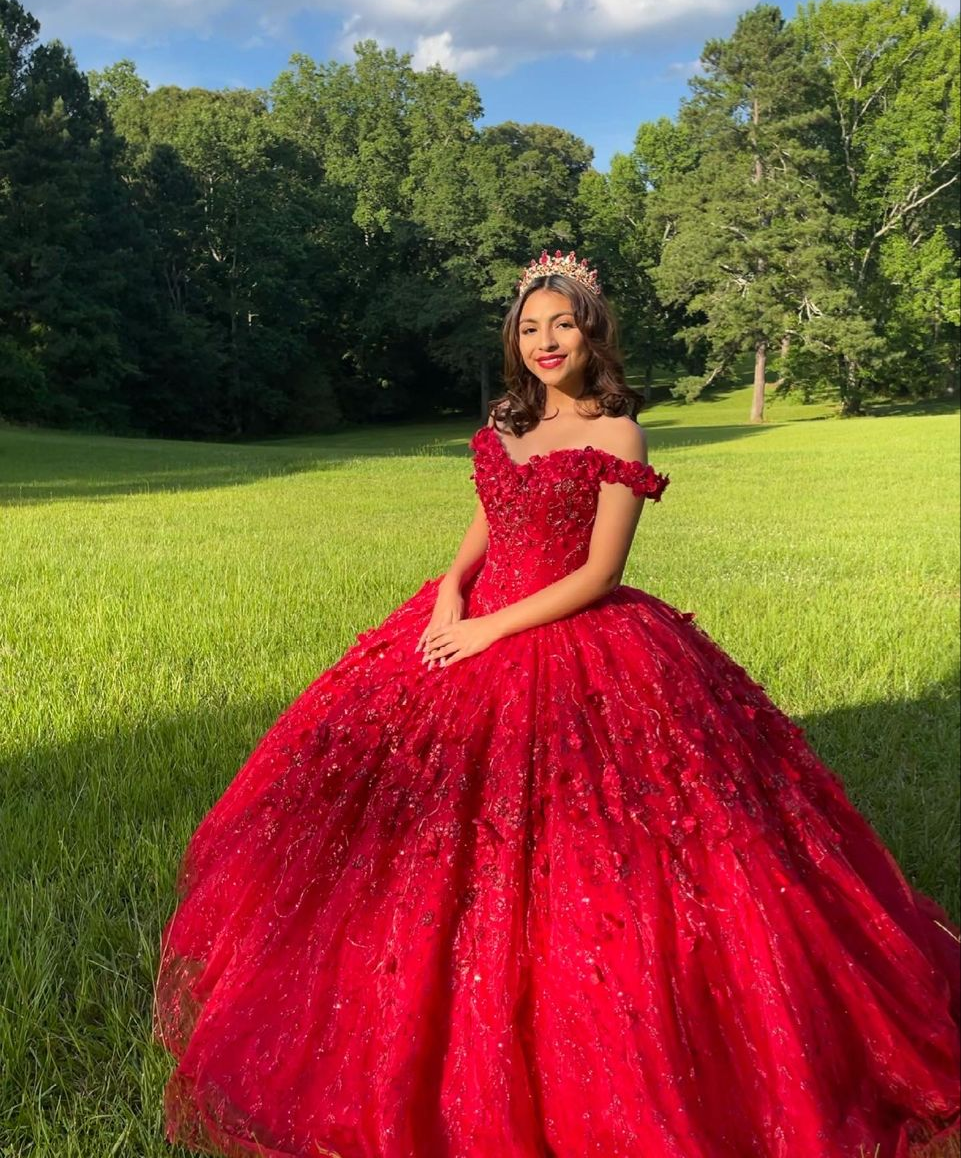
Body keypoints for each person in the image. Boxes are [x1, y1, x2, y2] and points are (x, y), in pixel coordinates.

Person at [154, 250, 960, 1158]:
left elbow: (600, 573)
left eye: (561, 325)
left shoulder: (618, 436)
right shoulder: (502, 428)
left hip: (571, 635)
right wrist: (453, 596)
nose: (544, 341)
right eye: (529, 327)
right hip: (471, 618)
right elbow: (480, 531)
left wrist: (494, 632)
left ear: (592, 334)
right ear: (514, 340)